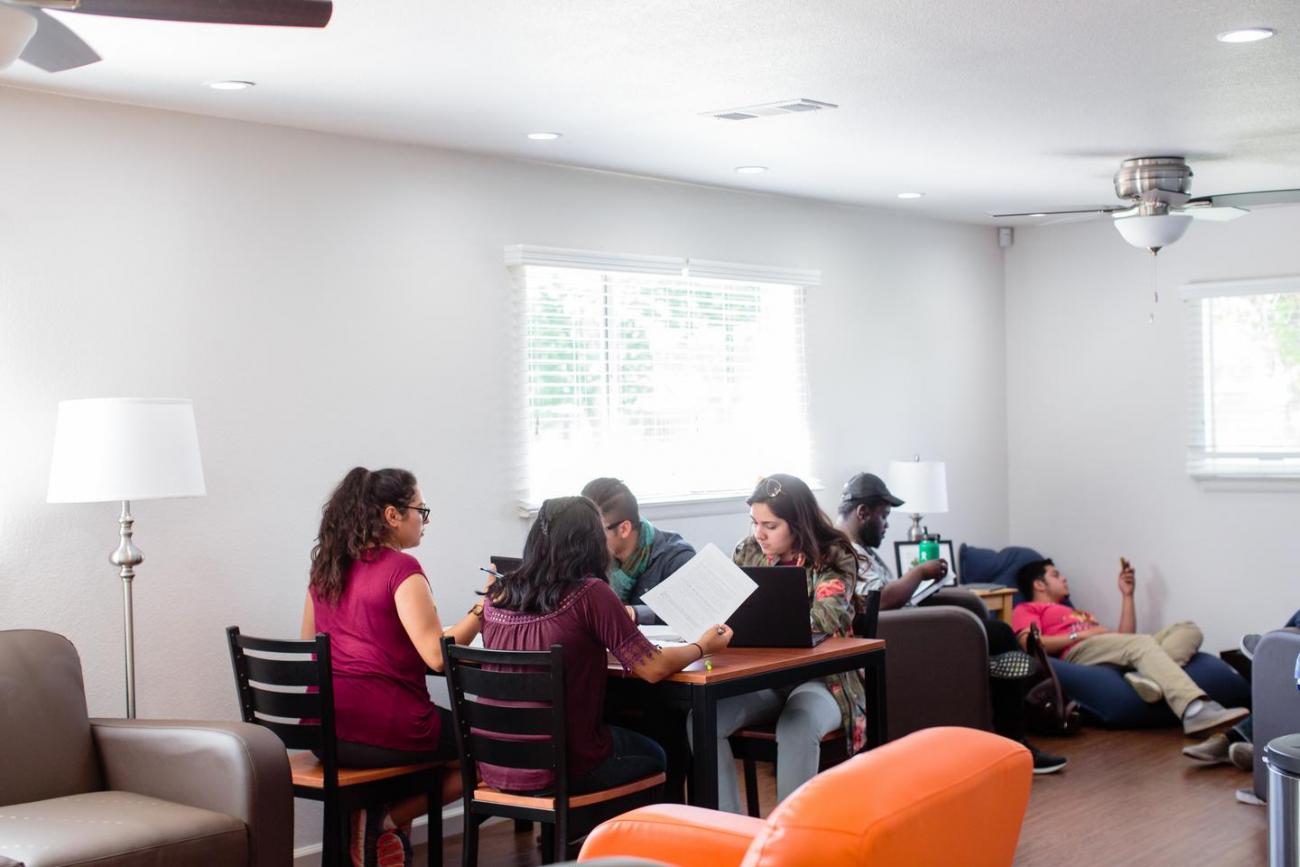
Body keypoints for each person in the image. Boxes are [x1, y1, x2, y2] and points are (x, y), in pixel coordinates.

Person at [480, 495, 732, 795]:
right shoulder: (590, 594)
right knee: (662, 750)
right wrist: (703, 646)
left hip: (496, 762)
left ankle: (589, 836)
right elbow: (653, 667)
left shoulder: (498, 592)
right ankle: (647, 835)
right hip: (565, 765)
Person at [301, 467, 488, 867]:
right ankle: (388, 821)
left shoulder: (326, 569)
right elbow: (437, 655)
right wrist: (483, 608)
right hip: (385, 727)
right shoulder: (401, 570)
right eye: (421, 509)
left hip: (324, 730)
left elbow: (309, 646)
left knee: (447, 745)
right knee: (491, 753)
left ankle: (373, 821)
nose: (426, 519)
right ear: (392, 515)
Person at [835, 472, 1067, 774]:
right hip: (892, 640)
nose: (887, 525)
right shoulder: (842, 550)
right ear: (862, 512)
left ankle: (1005, 737)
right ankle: (1015, 742)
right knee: (998, 634)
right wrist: (917, 575)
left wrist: (920, 584)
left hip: (905, 627)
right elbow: (877, 602)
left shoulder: (859, 550)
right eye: (884, 516)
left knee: (996, 636)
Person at [693, 473, 863, 814]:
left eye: (770, 525)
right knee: (700, 720)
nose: (759, 533)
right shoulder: (747, 552)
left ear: (797, 524)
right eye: (755, 522)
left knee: (798, 723)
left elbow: (826, 619)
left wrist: (752, 621)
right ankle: (730, 832)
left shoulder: (834, 555)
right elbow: (725, 612)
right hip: (762, 680)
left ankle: (788, 840)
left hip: (823, 680)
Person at [1013, 558, 1249, 737]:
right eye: (1055, 575)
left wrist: (1127, 595)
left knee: (1187, 628)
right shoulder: (1027, 608)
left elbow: (1125, 637)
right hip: (1080, 652)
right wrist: (1081, 634)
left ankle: (1147, 677)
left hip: (1111, 647)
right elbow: (1029, 643)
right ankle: (1194, 710)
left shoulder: (1074, 611)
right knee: (1141, 644)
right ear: (1039, 584)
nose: (1063, 578)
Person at [581, 477, 696, 625]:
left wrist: (633, 613)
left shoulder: (678, 559)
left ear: (624, 529)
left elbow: (689, 613)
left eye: (594, 531)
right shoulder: (589, 557)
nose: (585, 539)